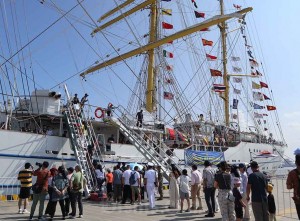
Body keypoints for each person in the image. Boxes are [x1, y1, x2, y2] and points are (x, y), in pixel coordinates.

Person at [287, 152, 300, 220]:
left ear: (295, 162)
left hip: (298, 198)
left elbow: (288, 187)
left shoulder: (292, 173)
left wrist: (293, 185)